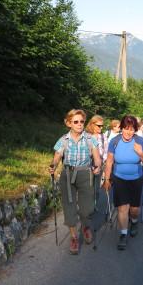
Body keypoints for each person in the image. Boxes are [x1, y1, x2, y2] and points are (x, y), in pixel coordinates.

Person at [49, 109, 102, 255]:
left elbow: (97, 158)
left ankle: (85, 226)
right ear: (69, 123)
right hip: (67, 174)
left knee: (87, 208)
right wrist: (53, 165)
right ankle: (73, 237)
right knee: (69, 206)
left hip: (85, 173)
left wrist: (98, 166)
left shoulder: (90, 139)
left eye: (82, 121)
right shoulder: (63, 140)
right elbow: (57, 157)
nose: (79, 124)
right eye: (76, 121)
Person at [102, 115, 143, 250]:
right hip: (119, 178)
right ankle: (123, 234)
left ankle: (134, 221)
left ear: (135, 130)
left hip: (136, 178)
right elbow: (109, 161)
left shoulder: (140, 140)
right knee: (122, 208)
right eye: (126, 128)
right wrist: (107, 179)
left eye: (132, 129)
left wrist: (140, 152)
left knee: (134, 209)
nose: (129, 132)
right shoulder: (114, 141)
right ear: (121, 128)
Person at [86, 115, 106, 210]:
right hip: (88, 164)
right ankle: (87, 206)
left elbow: (106, 150)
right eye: (99, 125)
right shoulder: (86, 136)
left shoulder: (103, 136)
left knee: (97, 188)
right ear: (92, 124)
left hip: (100, 164)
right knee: (88, 187)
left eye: (102, 126)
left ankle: (94, 205)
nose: (101, 128)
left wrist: (104, 162)